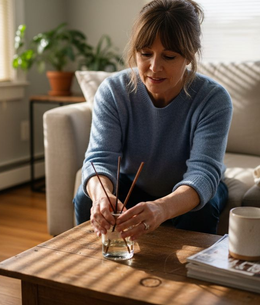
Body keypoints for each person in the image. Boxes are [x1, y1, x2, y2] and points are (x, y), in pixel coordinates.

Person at [73, 0, 232, 241]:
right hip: (132, 184)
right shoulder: (114, 91)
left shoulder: (213, 99)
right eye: (145, 54)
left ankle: (185, 277)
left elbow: (204, 173)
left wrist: (163, 208)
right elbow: (98, 159)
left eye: (169, 56)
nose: (154, 67)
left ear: (188, 56)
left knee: (203, 210)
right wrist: (102, 195)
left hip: (188, 189)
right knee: (87, 198)